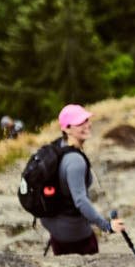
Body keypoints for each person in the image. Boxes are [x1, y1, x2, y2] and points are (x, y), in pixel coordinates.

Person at [40, 103, 126, 256]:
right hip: (76, 235)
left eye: (86, 120)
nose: (87, 125)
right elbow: (80, 201)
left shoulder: (57, 148)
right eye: (80, 122)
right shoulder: (75, 161)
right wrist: (107, 226)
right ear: (66, 129)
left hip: (55, 230)